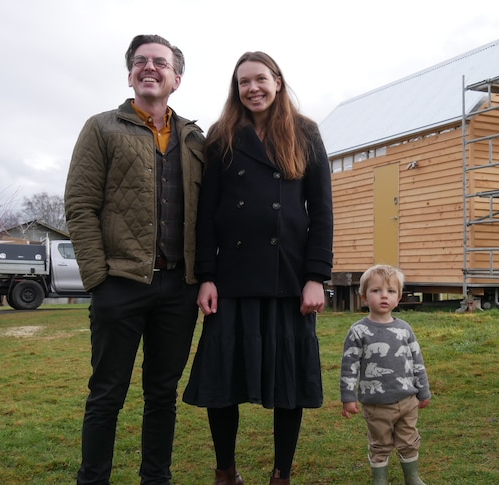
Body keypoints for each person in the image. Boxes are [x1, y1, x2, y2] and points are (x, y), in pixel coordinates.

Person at [182, 51, 334, 485]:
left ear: (278, 82)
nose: (252, 88)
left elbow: (321, 212)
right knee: (221, 380)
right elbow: (207, 214)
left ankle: (281, 474)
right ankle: (225, 471)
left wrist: (315, 278)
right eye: (243, 82)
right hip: (231, 279)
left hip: (288, 278)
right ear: (236, 88)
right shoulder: (221, 135)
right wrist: (207, 276)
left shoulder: (305, 132)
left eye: (260, 79)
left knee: (288, 382)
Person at [64, 34, 205, 485]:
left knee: (162, 395)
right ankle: (94, 479)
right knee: (106, 395)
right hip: (119, 285)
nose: (150, 67)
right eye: (141, 62)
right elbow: (80, 206)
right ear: (130, 75)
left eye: (160, 63)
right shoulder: (101, 128)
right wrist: (98, 280)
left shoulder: (194, 139)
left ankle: (155, 479)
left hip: (177, 290)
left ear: (175, 78)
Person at [340, 265, 431, 485]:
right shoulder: (358, 331)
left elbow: (417, 361)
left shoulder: (404, 329)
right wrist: (348, 397)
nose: (384, 295)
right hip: (376, 404)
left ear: (398, 298)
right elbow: (349, 365)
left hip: (407, 400)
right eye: (376, 290)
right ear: (363, 296)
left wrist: (424, 390)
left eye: (391, 291)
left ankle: (412, 477)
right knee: (380, 444)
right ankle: (379, 480)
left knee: (409, 440)